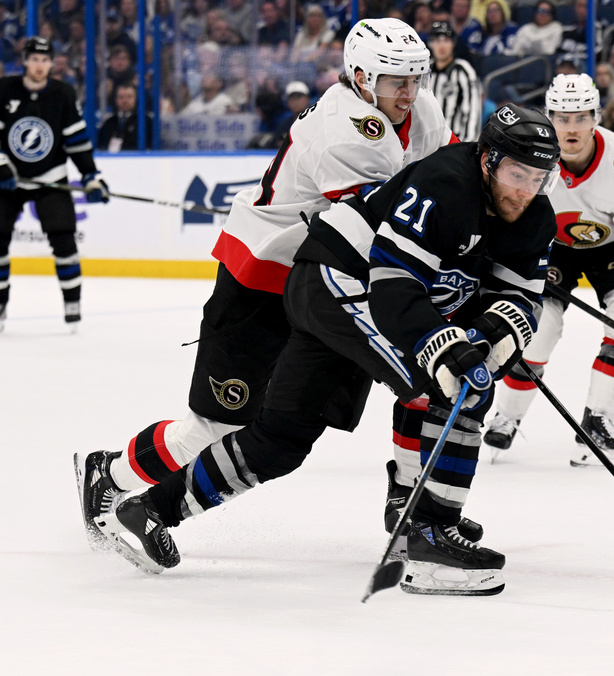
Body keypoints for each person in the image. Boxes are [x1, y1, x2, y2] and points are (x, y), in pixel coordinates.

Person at [90, 105, 560, 597]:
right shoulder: (445, 183)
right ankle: (428, 538)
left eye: (538, 177)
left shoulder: (533, 214)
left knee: (282, 439)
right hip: (339, 282)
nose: (526, 189)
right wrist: (444, 348)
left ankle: (150, 509)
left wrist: (490, 335)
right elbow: (395, 283)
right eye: (515, 173)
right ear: (488, 160)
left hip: (341, 288)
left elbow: (522, 299)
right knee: (457, 387)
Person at [75, 18, 458, 558]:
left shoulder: (421, 109)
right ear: (360, 75)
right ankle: (110, 473)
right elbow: (389, 225)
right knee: (215, 428)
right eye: (397, 80)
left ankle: (411, 502)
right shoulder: (345, 127)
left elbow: (450, 174)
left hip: (328, 287)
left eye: (415, 79)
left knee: (397, 381)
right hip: (263, 279)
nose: (410, 92)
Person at [484, 74, 614, 468]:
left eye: (582, 117)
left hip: (611, 251)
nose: (572, 128)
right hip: (553, 249)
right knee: (539, 330)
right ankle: (508, 415)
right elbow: (507, 220)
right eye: (563, 118)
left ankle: (598, 421)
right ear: (549, 117)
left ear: (597, 117)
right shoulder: (532, 153)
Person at [0, 37, 109, 334]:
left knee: (64, 242)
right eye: (34, 59)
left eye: (45, 60)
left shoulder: (62, 94)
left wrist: (90, 175)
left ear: (51, 63)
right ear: (25, 60)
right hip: (8, 181)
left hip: (50, 178)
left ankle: (72, 303)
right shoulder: (4, 89)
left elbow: (76, 140)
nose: (39, 65)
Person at [429, 21, 482, 142]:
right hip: (427, 142)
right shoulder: (425, 69)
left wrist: (466, 146)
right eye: (437, 41)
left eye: (446, 41)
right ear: (431, 44)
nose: (442, 46)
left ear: (453, 44)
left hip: (454, 142)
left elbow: (472, 111)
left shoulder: (463, 70)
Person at [98, 83, 154, 151]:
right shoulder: (109, 122)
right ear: (116, 99)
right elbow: (101, 147)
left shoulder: (146, 121)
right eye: (121, 97)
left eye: (129, 97)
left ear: (136, 98)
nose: (125, 100)